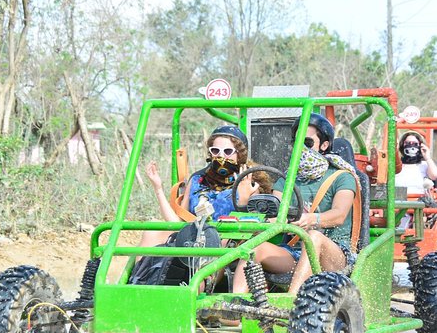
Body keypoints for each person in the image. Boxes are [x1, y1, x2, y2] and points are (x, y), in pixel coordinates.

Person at [233, 113, 357, 295]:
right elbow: (275, 213)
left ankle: (291, 304)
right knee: (253, 247)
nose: (300, 148)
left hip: (336, 254)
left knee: (313, 236)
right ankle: (234, 308)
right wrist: (258, 217)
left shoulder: (341, 176)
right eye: (296, 141)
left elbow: (339, 215)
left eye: (306, 142)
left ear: (324, 145)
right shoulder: (288, 178)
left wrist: (311, 219)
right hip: (294, 252)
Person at [138, 125, 262, 249]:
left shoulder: (249, 182)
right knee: (151, 231)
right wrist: (158, 188)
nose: (221, 156)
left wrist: (243, 200)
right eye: (215, 151)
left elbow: (253, 228)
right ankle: (142, 268)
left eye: (228, 151)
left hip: (227, 245)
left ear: (239, 154)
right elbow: (177, 224)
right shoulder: (198, 180)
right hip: (193, 239)